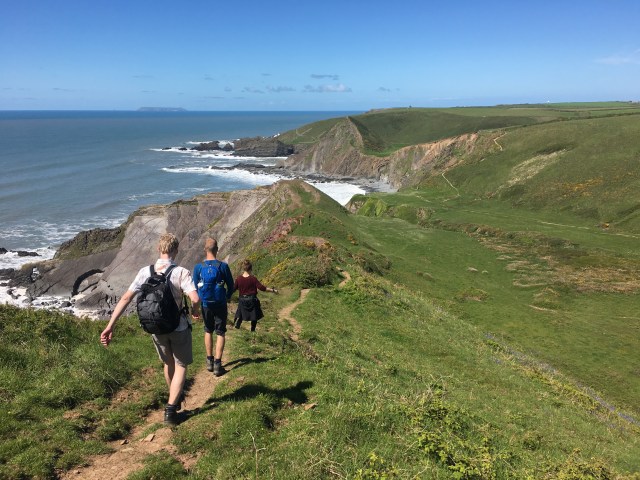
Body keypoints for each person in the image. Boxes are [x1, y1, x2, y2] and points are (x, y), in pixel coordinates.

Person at [100, 233, 200, 427]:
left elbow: (125, 298)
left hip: (155, 326)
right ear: (176, 250)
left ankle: (173, 397)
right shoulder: (181, 272)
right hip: (178, 326)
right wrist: (195, 312)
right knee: (181, 365)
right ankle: (171, 409)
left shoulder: (145, 271)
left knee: (167, 363)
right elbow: (195, 298)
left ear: (158, 249)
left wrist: (110, 325)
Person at [192, 238, 234, 377]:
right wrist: (226, 296)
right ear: (217, 249)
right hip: (220, 304)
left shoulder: (198, 267)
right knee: (221, 332)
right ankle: (217, 364)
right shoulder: (223, 266)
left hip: (205, 304)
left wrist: (196, 307)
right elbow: (231, 285)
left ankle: (209, 361)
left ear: (205, 250)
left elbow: (194, 288)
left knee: (208, 330)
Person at [233, 259, 278, 332]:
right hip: (252, 300)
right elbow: (262, 288)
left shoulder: (238, 279)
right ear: (251, 269)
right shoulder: (253, 279)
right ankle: (252, 329)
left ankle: (238, 321)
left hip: (242, 300)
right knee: (254, 315)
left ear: (243, 269)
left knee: (240, 310)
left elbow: (233, 289)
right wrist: (272, 290)